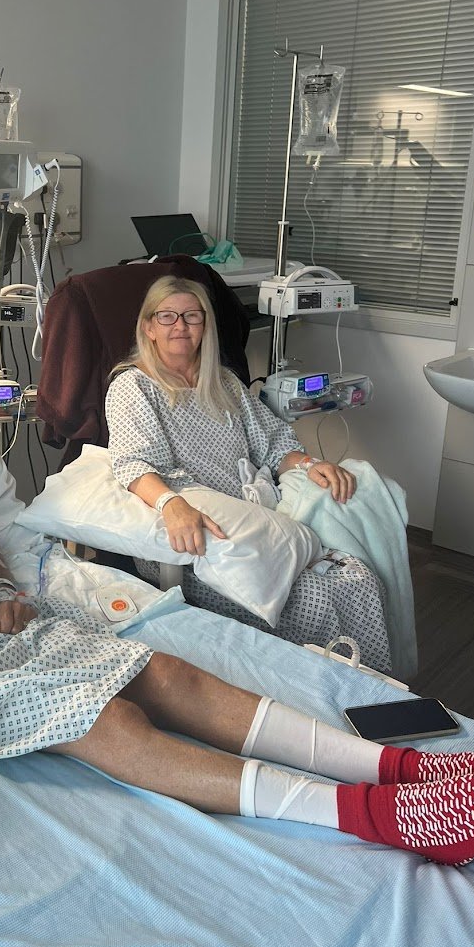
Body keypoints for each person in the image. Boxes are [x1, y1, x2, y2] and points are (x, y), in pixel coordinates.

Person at [0, 298, 474, 866]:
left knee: (162, 672)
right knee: (108, 719)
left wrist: (0, 582)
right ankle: (372, 815)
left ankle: (402, 767)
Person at [105, 274, 392, 671]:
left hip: (254, 520)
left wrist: (311, 465)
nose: (181, 326)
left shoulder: (222, 382)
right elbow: (133, 463)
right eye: (167, 316)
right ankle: (307, 691)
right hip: (196, 537)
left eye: (192, 316)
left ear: (206, 324)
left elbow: (273, 443)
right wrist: (173, 505)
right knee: (312, 598)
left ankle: (369, 690)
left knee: (357, 578)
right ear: (149, 327)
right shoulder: (134, 386)